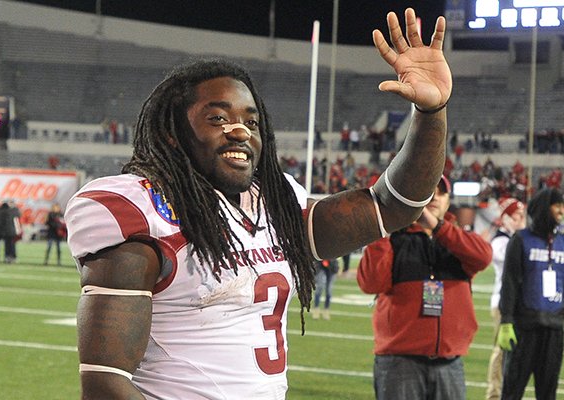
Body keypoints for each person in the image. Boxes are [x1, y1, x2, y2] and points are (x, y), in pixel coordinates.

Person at [65, 8, 452, 399]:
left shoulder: (275, 206)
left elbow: (393, 206)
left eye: (251, 123)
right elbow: (104, 384)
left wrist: (431, 112)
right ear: (171, 133)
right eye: (216, 119)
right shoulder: (144, 211)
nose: (239, 132)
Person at [357, 175, 492, 400]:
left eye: (440, 193)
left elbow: (483, 257)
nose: (435, 198)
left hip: (449, 363)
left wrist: (437, 227)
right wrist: (381, 230)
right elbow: (370, 283)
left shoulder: (457, 239)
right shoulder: (394, 238)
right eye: (428, 192)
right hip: (400, 363)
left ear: (448, 201)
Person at [498, 188, 564, 400]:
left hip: (554, 330)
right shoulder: (520, 239)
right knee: (512, 390)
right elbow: (509, 282)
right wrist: (506, 320)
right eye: (557, 205)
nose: (562, 210)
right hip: (524, 328)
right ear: (544, 208)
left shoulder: (563, 241)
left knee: (548, 394)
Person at [485, 197, 526, 400]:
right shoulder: (501, 241)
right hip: (502, 303)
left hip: (520, 304)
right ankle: (494, 394)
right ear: (506, 219)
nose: (521, 221)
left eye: (522, 216)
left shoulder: (518, 239)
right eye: (517, 217)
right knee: (500, 352)